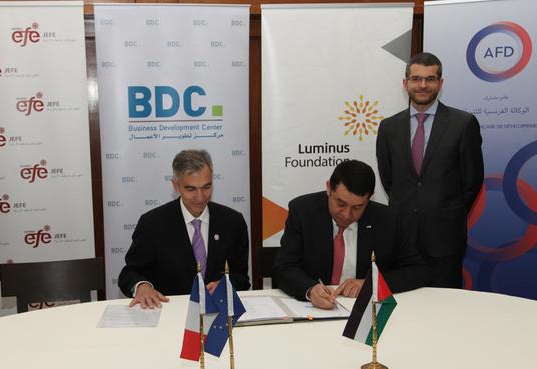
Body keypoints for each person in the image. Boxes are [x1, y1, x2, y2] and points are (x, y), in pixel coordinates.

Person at [376, 52, 484, 288]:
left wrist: (445, 211)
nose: (423, 85)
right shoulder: (388, 127)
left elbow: (472, 181)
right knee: (403, 304)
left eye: (430, 79)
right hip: (401, 237)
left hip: (444, 239)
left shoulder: (463, 124)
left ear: (440, 83)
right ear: (405, 83)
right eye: (416, 78)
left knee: (444, 304)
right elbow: (388, 178)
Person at [273, 160, 429, 310]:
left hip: (364, 311)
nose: (346, 215)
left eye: (357, 207)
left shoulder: (388, 220)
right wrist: (310, 289)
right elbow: (284, 268)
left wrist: (371, 284)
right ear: (329, 188)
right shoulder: (303, 211)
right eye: (341, 204)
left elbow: (417, 271)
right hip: (313, 309)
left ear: (369, 198)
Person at [118, 149, 250, 308]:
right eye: (191, 189)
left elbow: (241, 278)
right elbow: (130, 273)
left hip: (219, 313)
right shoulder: (152, 223)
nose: (200, 197)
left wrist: (226, 286)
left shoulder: (233, 222)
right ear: (176, 185)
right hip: (170, 312)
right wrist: (142, 286)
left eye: (206, 187)